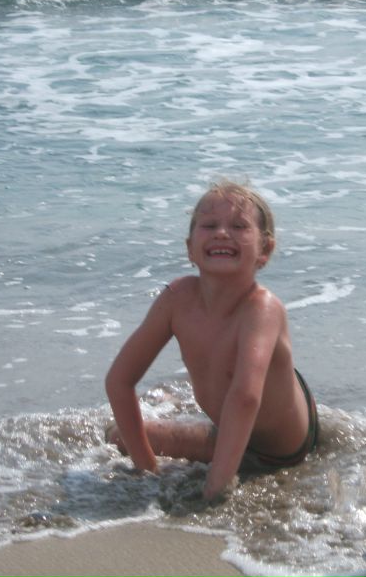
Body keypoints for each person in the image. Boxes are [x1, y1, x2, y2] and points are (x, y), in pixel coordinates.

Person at [105, 179, 318, 502]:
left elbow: (245, 397)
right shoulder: (177, 299)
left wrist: (214, 491)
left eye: (239, 226)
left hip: (278, 451)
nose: (221, 233)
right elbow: (119, 381)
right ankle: (178, 412)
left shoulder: (262, 308)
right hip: (230, 427)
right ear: (190, 248)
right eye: (209, 225)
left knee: (229, 437)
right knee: (119, 437)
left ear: (265, 250)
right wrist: (146, 470)